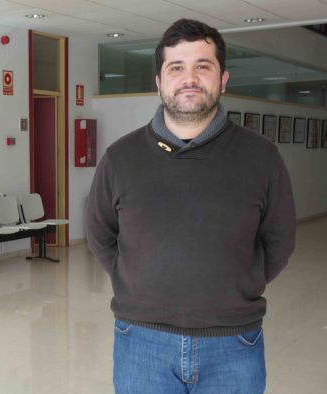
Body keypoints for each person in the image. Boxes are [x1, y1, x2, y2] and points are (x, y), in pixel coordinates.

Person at [86, 18, 296, 394]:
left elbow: (280, 239)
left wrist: (241, 282)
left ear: (223, 79)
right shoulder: (121, 158)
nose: (190, 78)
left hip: (233, 342)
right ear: (159, 81)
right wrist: (137, 283)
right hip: (142, 341)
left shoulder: (262, 157)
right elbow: (101, 234)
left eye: (203, 66)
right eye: (176, 67)